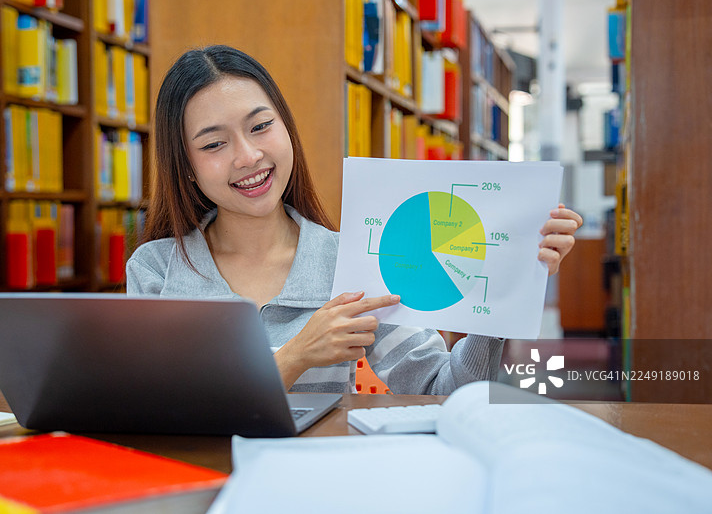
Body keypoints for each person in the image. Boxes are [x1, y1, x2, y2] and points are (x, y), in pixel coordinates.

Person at [126, 45, 582, 395]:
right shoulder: (156, 270)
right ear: (185, 164)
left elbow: (443, 392)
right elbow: (155, 405)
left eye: (261, 126)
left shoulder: (355, 266)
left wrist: (503, 290)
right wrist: (296, 356)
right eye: (213, 145)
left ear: (287, 128)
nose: (248, 156)